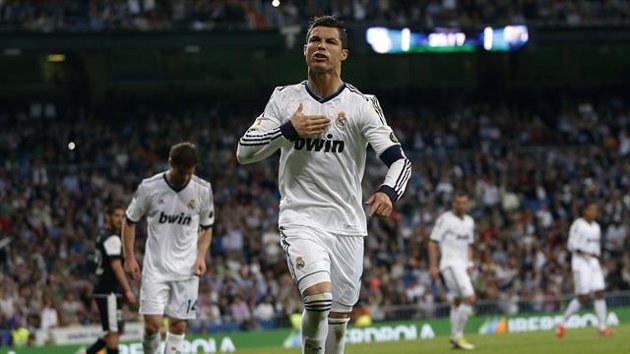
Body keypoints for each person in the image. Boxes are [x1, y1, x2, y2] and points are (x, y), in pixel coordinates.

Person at [236, 15, 411, 354]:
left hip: (347, 225)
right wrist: (289, 129)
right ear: (304, 50)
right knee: (318, 299)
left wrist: (389, 192)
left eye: (330, 42)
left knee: (339, 321)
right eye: (315, 40)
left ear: (343, 54)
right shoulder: (284, 99)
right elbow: (244, 151)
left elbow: (399, 160)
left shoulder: (361, 105)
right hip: (300, 218)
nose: (321, 46)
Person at [123, 142, 215, 354]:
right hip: (155, 268)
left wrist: (201, 256)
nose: (185, 177)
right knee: (152, 324)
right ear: (170, 163)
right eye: (182, 172)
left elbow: (207, 227)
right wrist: (129, 257)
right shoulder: (150, 187)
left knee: (178, 325)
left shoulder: (202, 189)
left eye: (189, 173)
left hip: (186, 269)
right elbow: (129, 221)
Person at [556, 201, 614, 338]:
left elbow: (596, 248)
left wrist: (596, 256)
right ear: (585, 211)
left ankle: (602, 328)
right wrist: (586, 252)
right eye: (591, 210)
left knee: (600, 292)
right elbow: (571, 245)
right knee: (583, 296)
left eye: (595, 210)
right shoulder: (578, 225)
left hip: (593, 262)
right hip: (580, 262)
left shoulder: (597, 227)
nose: (594, 213)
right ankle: (562, 322)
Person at [86, 204, 137, 354]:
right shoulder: (112, 238)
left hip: (105, 288)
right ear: (107, 217)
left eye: (122, 216)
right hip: (109, 290)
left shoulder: (102, 235)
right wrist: (128, 290)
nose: (120, 220)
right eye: (116, 216)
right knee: (114, 332)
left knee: (114, 330)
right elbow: (116, 266)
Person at [428, 192, 476, 350]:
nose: (461, 206)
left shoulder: (470, 221)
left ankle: (455, 339)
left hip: (462, 265)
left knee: (457, 301)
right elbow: (432, 242)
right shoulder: (445, 219)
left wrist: (469, 262)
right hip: (449, 264)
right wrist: (433, 266)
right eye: (458, 203)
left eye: (464, 203)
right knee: (470, 298)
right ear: (453, 203)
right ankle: (458, 336)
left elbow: (469, 244)